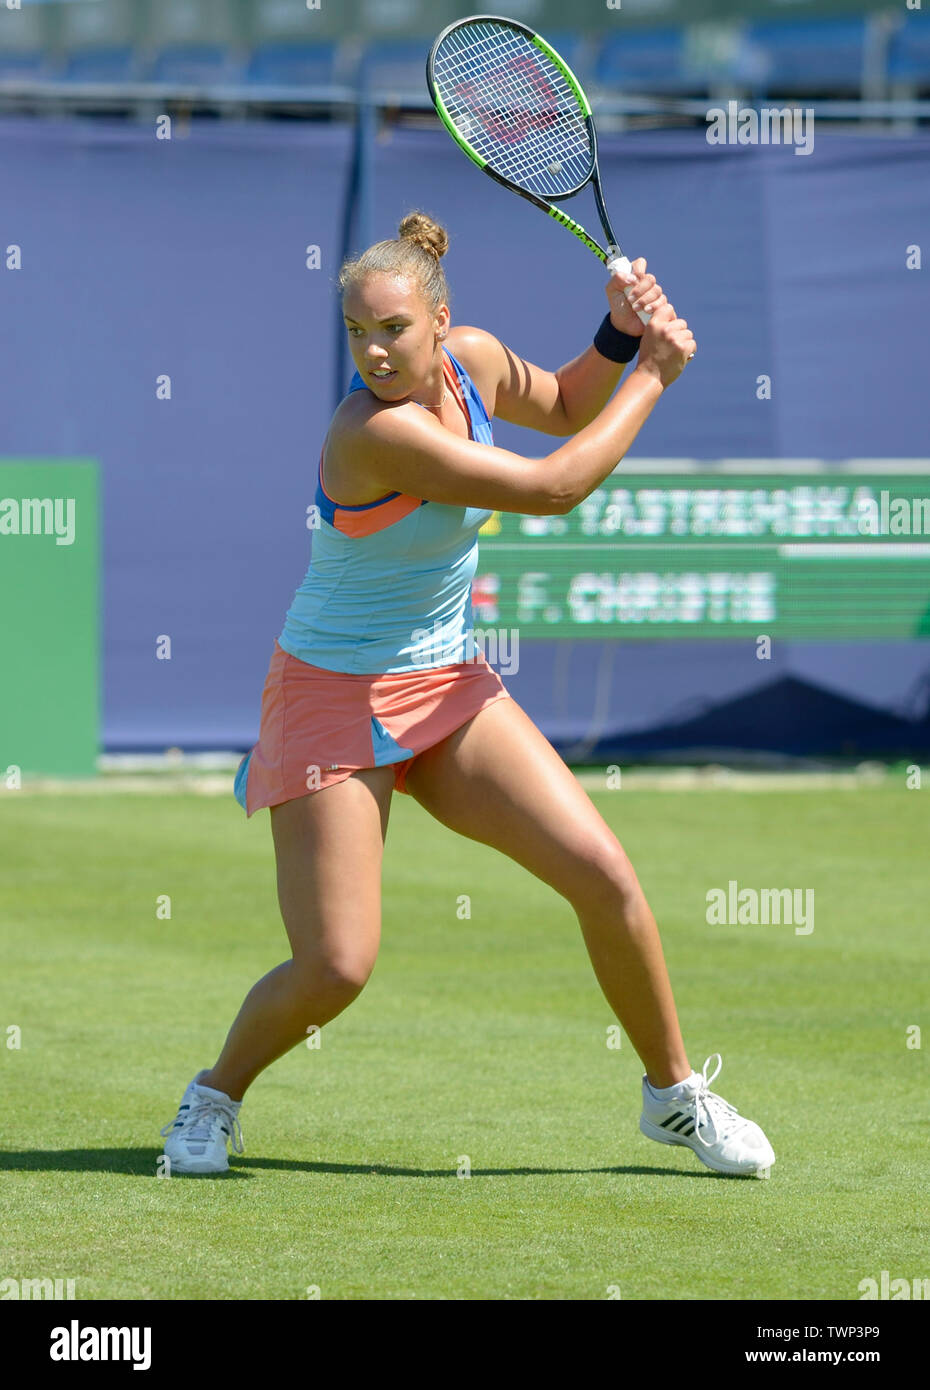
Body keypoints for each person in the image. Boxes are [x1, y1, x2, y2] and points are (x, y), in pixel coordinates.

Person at [160, 211, 775, 1181]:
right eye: (358, 331)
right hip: (330, 697)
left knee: (604, 875)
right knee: (337, 966)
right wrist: (655, 373)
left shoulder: (476, 363)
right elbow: (554, 485)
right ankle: (214, 1095)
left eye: (394, 329)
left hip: (446, 684)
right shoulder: (371, 433)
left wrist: (617, 335)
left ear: (441, 323)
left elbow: (569, 405)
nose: (373, 349)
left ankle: (673, 1096)